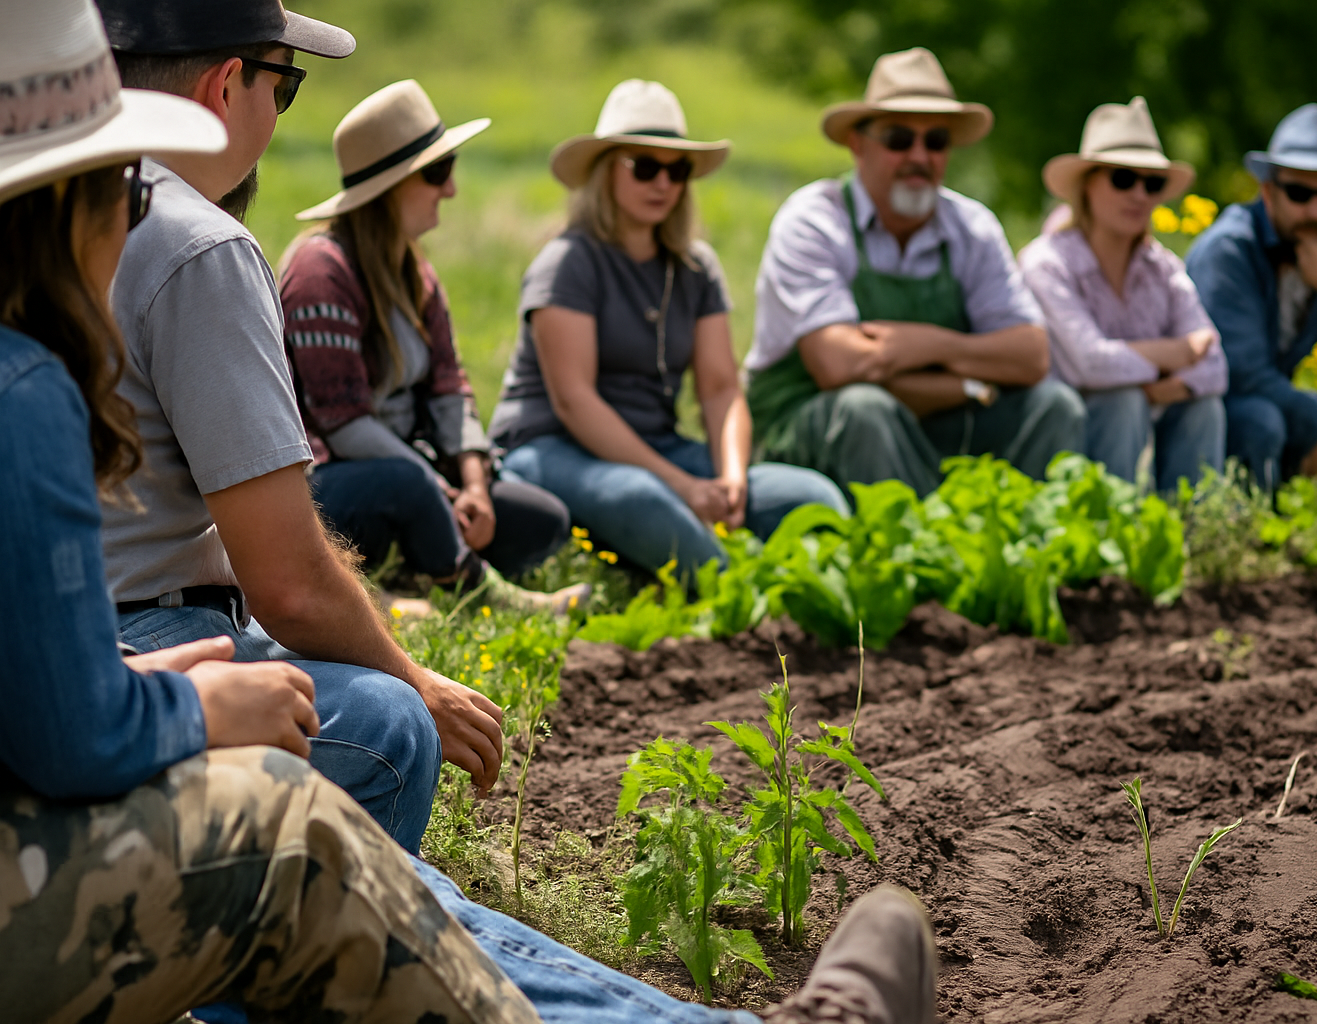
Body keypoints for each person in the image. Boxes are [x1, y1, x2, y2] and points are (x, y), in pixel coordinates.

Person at [0, 8, 939, 1023]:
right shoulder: (44, 381)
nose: (140, 204)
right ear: (69, 197)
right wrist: (190, 705)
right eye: (126, 179)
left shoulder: (434, 278)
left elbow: (453, 391)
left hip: (132, 666)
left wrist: (138, 676)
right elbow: (73, 732)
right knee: (309, 841)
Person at [97, 0, 502, 856]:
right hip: (140, 631)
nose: (280, 118)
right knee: (389, 727)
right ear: (224, 84)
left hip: (50, 630)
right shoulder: (198, 245)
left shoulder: (44, 203)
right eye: (285, 87)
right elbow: (289, 582)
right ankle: (307, 969)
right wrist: (416, 679)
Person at [489, 79, 848, 577]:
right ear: (604, 171)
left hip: (656, 446)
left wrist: (731, 478)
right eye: (645, 166)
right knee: (645, 499)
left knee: (815, 498)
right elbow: (575, 401)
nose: (664, 183)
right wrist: (683, 486)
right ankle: (746, 603)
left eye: (677, 169)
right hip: (549, 448)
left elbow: (721, 388)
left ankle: (779, 583)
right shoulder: (568, 262)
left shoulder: (696, 267)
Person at [279, 80, 585, 614]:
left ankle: (410, 579)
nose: (451, 190)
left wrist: (473, 483)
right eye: (438, 173)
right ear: (390, 187)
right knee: (406, 484)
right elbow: (344, 423)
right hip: (331, 487)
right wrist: (436, 489)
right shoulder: (319, 271)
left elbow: (451, 386)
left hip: (413, 473)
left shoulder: (416, 273)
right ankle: (484, 595)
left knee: (542, 519)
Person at [745, 47, 1084, 497]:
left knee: (1054, 406)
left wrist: (927, 345)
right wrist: (969, 382)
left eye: (936, 140)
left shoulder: (972, 226)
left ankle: (1033, 557)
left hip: (935, 429)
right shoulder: (814, 221)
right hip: (810, 424)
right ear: (857, 144)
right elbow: (838, 365)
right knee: (865, 409)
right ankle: (898, 562)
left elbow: (1030, 355)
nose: (919, 156)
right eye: (899, 139)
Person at [1185, 103, 1317, 490]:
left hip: (1269, 408)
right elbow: (1241, 374)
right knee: (1260, 418)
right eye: (1299, 193)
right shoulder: (1229, 251)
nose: (1316, 210)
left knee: (1280, 413)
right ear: (1268, 192)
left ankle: (1281, 515)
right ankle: (1239, 531)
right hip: (1198, 414)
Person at [1020, 97, 1226, 492]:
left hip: (1133, 426)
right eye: (1122, 178)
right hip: (1057, 451)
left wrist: (1167, 387)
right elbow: (1089, 364)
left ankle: (1195, 538)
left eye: (1152, 184)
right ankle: (1108, 534)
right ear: (1087, 184)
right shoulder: (1046, 264)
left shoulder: (1163, 268)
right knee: (1121, 402)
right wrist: (1174, 353)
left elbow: (1216, 363)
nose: (1139, 195)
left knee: (1204, 406)